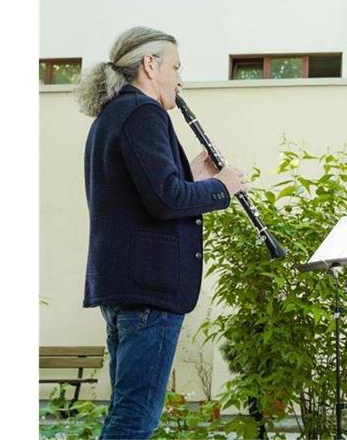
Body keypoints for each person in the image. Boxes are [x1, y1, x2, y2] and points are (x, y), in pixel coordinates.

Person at [77, 26, 250, 439]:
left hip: (126, 288)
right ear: (150, 66)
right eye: (176, 66)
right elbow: (167, 200)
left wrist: (193, 173)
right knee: (137, 417)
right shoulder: (143, 112)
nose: (180, 78)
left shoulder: (115, 114)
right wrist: (221, 187)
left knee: (126, 410)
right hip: (147, 292)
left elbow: (145, 193)